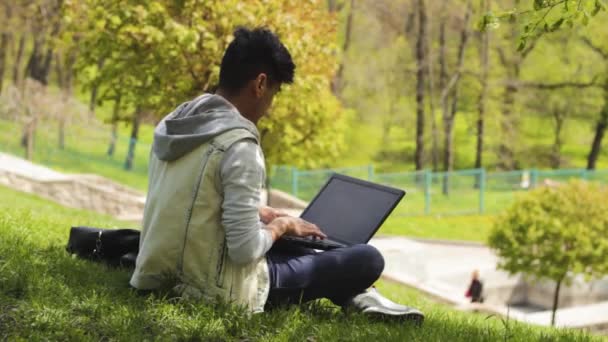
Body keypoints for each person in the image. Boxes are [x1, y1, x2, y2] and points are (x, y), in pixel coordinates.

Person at [129, 27, 423, 321]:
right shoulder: (239, 146)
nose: (270, 104)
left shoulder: (176, 124)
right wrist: (282, 225)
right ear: (260, 84)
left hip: (156, 274)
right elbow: (245, 251)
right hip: (213, 289)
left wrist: (259, 212)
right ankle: (358, 295)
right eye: (275, 92)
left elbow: (192, 195)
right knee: (366, 258)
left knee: (302, 248)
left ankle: (357, 296)